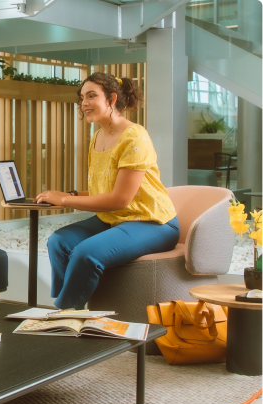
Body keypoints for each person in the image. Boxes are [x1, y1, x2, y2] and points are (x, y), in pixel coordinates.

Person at [35, 72, 180, 310]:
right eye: (82, 97)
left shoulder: (135, 136)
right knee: (58, 242)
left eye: (92, 96)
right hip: (115, 219)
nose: (85, 103)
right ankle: (71, 308)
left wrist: (64, 199)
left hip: (153, 222)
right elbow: (100, 190)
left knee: (85, 253)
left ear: (112, 99)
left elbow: (120, 199)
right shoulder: (98, 137)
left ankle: (63, 314)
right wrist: (67, 195)